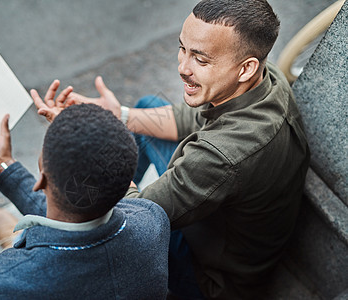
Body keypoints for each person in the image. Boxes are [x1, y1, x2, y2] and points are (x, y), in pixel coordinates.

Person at [34, 1, 310, 299]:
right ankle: (68, 215)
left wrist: (86, 140)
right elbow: (189, 118)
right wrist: (118, 116)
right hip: (221, 221)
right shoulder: (265, 79)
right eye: (183, 49)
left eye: (200, 60)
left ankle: (49, 244)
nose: (183, 68)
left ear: (246, 68)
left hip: (209, 278)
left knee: (112, 225)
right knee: (145, 109)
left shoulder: (223, 156)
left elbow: (138, 222)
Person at [0, 104, 170, 299]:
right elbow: (77, 212)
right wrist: (5, 166)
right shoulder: (151, 219)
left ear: (40, 180)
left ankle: (14, 239)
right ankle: (16, 235)